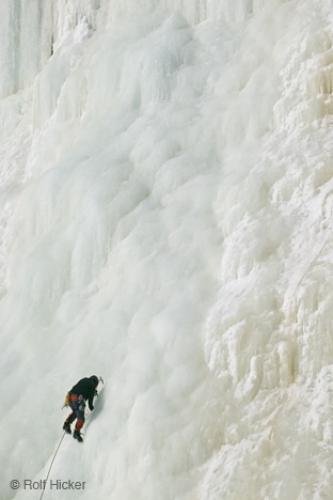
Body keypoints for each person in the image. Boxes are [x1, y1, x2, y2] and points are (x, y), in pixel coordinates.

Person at [63, 375, 99, 442]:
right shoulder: (92, 385)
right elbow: (90, 402)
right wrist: (94, 410)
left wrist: (93, 392)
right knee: (81, 418)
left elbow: (81, 388)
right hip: (78, 398)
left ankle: (67, 424)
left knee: (76, 412)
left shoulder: (85, 379)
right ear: (95, 383)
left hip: (70, 397)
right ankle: (76, 432)